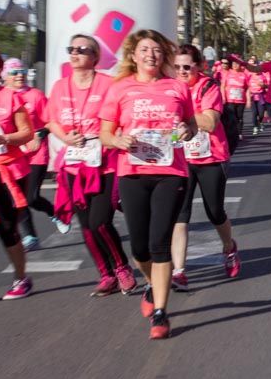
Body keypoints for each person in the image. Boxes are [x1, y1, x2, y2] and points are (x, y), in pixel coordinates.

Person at [99, 30, 197, 339]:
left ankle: (160, 313)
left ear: (164, 56)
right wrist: (118, 139)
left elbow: (191, 126)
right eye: (145, 50)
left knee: (159, 243)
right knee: (140, 247)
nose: (151, 55)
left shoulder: (178, 88)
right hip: (132, 172)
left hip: (171, 172)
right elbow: (105, 133)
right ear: (133, 55)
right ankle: (152, 282)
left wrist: (186, 131)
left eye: (156, 50)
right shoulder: (120, 89)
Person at [48, 36, 135, 296]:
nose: (74, 54)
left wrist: (115, 138)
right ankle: (105, 274)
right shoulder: (60, 86)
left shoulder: (109, 84)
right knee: (85, 224)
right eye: (71, 49)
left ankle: (122, 267)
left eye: (81, 50)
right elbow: (51, 121)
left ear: (95, 57)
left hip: (104, 163)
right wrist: (64, 137)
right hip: (74, 165)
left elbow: (122, 116)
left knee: (99, 221)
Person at [170, 45, 241, 290]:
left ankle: (229, 247)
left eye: (187, 67)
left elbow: (210, 122)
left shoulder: (208, 86)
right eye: (177, 67)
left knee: (215, 212)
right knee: (180, 214)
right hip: (182, 159)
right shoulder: (169, 89)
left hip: (211, 158)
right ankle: (179, 270)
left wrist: (181, 115)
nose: (181, 71)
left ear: (199, 66)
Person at [3, 59, 69, 248]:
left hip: (36, 154)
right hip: (13, 156)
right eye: (14, 72)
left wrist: (39, 135)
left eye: (22, 71)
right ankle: (30, 236)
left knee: (31, 197)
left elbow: (50, 122)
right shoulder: (2, 97)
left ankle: (55, 214)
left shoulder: (36, 96)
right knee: (18, 199)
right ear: (5, 75)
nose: (20, 75)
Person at [0, 52, 35, 300]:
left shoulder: (10, 98)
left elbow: (27, 133)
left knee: (7, 227)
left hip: (8, 169)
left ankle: (21, 278)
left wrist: (6, 138)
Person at [220, 56, 250, 154]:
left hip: (241, 100)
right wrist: (223, 98)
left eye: (237, 63)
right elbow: (222, 86)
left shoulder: (243, 75)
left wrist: (249, 100)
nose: (235, 65)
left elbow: (247, 88)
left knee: (239, 117)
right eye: (234, 64)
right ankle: (230, 133)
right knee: (231, 118)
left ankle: (239, 132)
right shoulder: (227, 74)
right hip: (230, 100)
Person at [247, 58, 267, 135]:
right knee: (254, 113)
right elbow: (247, 88)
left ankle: (260, 122)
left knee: (261, 113)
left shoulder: (262, 76)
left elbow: (267, 86)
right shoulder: (249, 76)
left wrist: (263, 85)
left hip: (261, 96)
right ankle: (255, 126)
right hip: (252, 96)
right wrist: (248, 99)